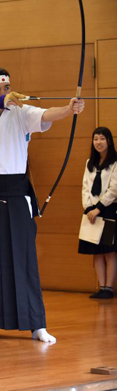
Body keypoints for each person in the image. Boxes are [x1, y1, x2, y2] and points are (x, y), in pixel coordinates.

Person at [0, 66, 85, 343]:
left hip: (15, 191)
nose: (3, 93)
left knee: (23, 257)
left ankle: (36, 324)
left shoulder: (22, 112)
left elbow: (48, 114)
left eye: (6, 88)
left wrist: (68, 109)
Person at [78, 127, 117, 299]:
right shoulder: (90, 163)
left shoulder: (115, 162)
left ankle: (109, 287)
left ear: (109, 141)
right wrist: (88, 209)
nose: (98, 142)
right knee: (96, 251)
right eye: (95, 139)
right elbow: (85, 187)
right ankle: (101, 287)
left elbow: (114, 189)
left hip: (108, 210)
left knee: (109, 251)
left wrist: (99, 208)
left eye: (102, 139)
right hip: (91, 212)